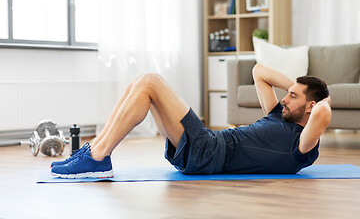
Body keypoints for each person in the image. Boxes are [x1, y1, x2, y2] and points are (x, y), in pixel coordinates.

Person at [51, 64, 332, 178]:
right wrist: (296, 88)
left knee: (151, 81)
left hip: (210, 152)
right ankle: (96, 151)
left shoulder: (303, 145)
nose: (285, 98)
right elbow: (259, 71)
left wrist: (320, 98)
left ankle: (99, 158)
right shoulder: (277, 115)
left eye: (292, 96)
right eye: (287, 93)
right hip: (206, 148)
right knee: (142, 84)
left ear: (310, 106)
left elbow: (322, 114)